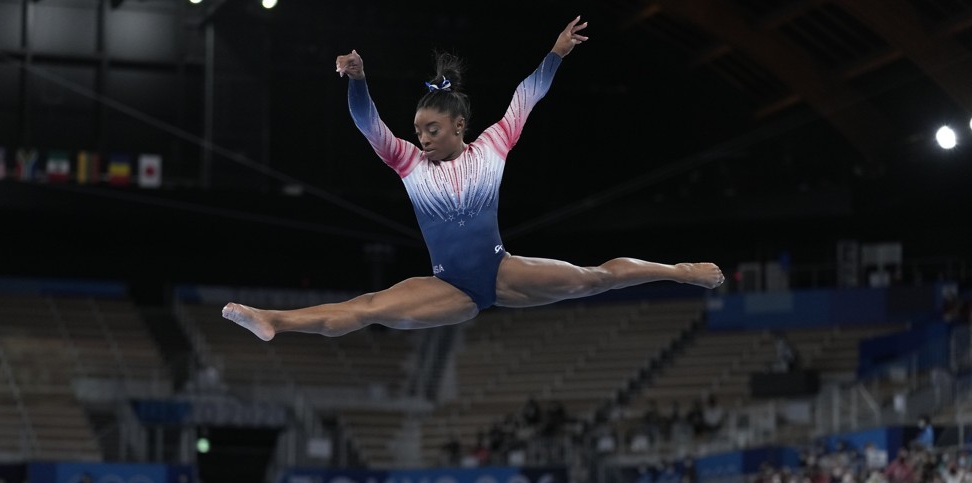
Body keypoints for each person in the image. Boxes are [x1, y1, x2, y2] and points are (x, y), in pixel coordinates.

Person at [222, 17, 724, 341]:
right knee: (368, 307)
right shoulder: (407, 163)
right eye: (418, 130)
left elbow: (528, 95)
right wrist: (358, 80)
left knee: (594, 279)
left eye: (432, 129)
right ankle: (274, 320)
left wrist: (556, 55)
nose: (421, 139)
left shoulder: (493, 145)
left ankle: (680, 271)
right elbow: (366, 122)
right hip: (449, 287)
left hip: (502, 271)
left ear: (459, 126)